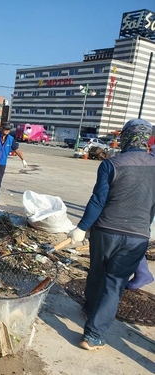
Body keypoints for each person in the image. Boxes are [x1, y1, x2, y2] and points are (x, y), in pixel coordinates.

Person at [68, 118, 155, 350]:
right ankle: (93, 335)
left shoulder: (111, 164)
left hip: (105, 231)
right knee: (114, 284)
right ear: (146, 139)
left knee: (97, 272)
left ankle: (89, 308)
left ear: (125, 137)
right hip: (136, 236)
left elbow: (98, 200)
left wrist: (82, 228)